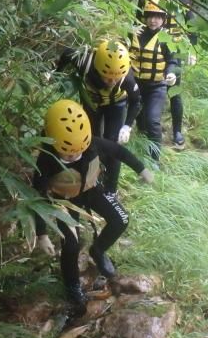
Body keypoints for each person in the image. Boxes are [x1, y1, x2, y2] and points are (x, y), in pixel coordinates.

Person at [33, 99, 154, 318]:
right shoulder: (46, 159)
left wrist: (141, 169)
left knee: (121, 220)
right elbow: (37, 197)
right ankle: (72, 285)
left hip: (92, 190)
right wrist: (41, 234)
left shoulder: (91, 143)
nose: (73, 156)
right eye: (68, 153)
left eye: (77, 151)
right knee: (70, 244)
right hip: (66, 201)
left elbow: (119, 151)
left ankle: (98, 250)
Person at [55, 40, 141, 194]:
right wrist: (56, 74)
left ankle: (111, 190)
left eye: (116, 78)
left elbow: (136, 102)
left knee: (113, 143)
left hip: (116, 104)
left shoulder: (127, 77)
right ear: (98, 67)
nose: (112, 82)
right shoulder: (84, 62)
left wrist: (127, 126)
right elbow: (67, 53)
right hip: (91, 102)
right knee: (90, 141)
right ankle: (91, 179)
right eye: (108, 77)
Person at [144, 0, 197, 148]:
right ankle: (144, 127)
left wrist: (192, 49)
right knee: (147, 87)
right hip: (151, 45)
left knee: (174, 91)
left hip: (174, 47)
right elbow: (138, 20)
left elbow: (192, 23)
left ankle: (177, 131)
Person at [128, 0, 178, 162]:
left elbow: (172, 61)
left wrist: (171, 73)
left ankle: (154, 160)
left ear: (163, 19)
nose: (153, 20)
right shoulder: (135, 33)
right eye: (150, 16)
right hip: (135, 84)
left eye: (157, 17)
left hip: (156, 86)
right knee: (139, 120)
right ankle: (137, 146)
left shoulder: (165, 39)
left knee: (152, 121)